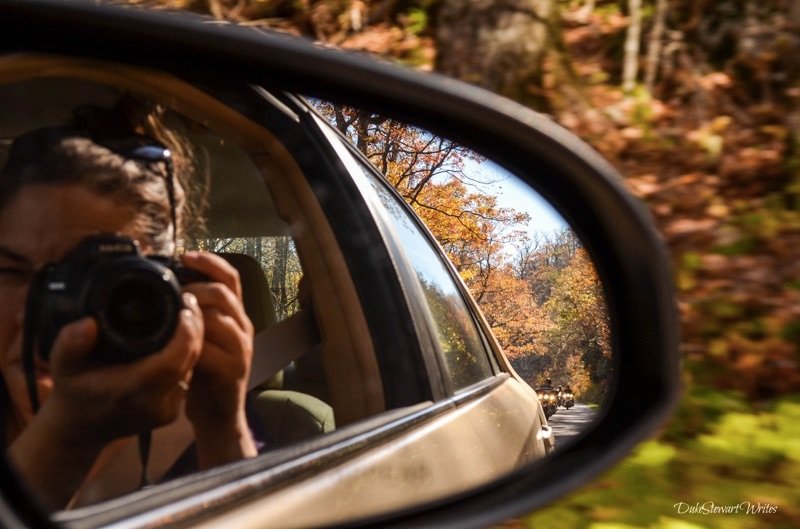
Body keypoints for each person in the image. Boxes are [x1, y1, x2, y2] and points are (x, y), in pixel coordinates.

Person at [0, 95, 257, 510]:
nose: (42, 309)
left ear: (168, 289)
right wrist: (68, 433)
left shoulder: (208, 421)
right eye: (11, 272)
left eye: (94, 281)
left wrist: (222, 427)